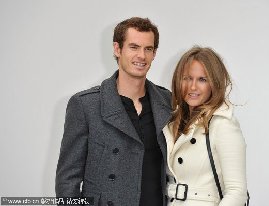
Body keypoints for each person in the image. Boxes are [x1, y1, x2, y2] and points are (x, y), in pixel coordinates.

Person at [55, 17, 172, 206]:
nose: (141, 56)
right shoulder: (86, 105)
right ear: (117, 49)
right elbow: (68, 179)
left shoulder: (167, 102)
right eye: (134, 47)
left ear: (154, 53)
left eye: (148, 49)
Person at [163, 46, 247, 206]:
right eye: (187, 78)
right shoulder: (171, 123)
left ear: (214, 84)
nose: (192, 87)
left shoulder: (223, 124)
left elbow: (237, 192)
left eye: (202, 79)